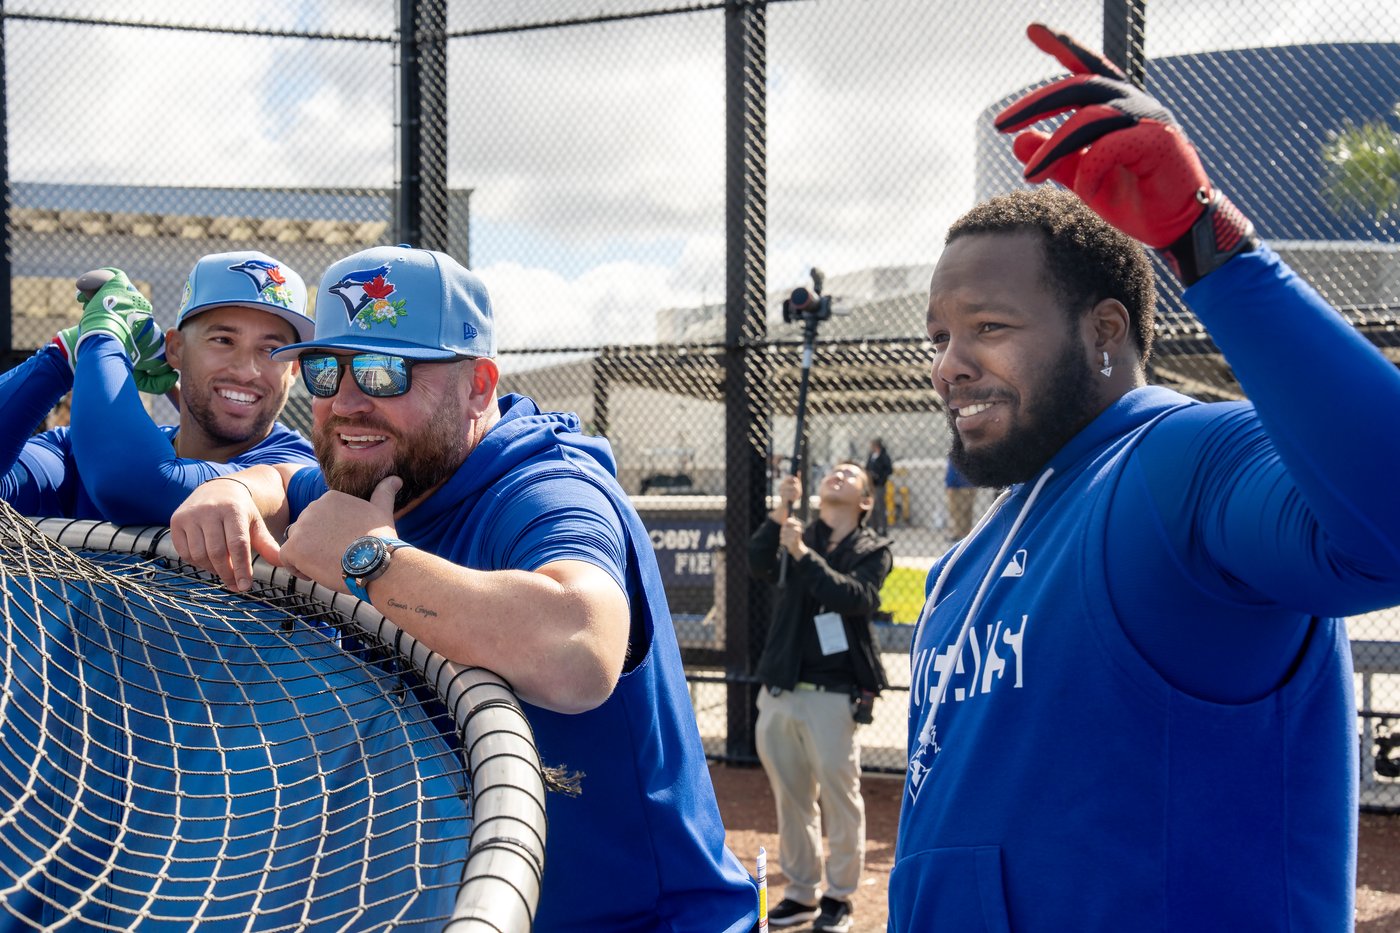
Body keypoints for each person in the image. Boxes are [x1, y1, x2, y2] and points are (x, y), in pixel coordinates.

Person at [889, 23, 1400, 932]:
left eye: (989, 327)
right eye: (939, 337)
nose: (950, 364)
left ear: (1104, 330)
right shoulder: (964, 566)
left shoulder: (1180, 461)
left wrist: (1202, 237)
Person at [167, 244, 760, 932]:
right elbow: (289, 483)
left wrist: (369, 561)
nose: (348, 402)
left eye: (388, 372)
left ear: (478, 385)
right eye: (327, 371)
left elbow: (579, 648)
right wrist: (237, 489)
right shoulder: (380, 471)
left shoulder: (543, 486)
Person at [0, 251, 317, 523]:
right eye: (223, 340)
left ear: (293, 369)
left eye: (270, 349)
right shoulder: (75, 452)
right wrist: (61, 357)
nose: (247, 371)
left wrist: (101, 341)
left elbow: (135, 484)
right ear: (176, 350)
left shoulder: (295, 469)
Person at [748, 463, 890, 933]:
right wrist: (778, 514)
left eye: (851, 475)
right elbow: (757, 562)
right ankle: (803, 893)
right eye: (833, 471)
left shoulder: (873, 550)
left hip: (833, 695)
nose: (837, 475)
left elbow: (855, 597)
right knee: (792, 800)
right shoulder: (793, 532)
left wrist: (804, 555)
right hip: (782, 688)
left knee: (840, 797)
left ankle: (839, 896)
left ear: (865, 501)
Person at [863, 438, 893, 534]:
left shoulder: (884, 456)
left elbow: (889, 470)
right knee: (872, 507)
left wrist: (879, 476)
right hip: (872, 485)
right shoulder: (871, 456)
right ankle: (874, 528)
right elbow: (867, 467)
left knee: (880, 507)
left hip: (880, 485)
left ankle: (883, 529)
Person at [942, 457, 975, 540]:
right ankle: (966, 532)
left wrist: (950, 485)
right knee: (966, 510)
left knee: (956, 510)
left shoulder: (956, 453)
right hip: (969, 484)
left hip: (957, 486)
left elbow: (952, 471)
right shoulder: (969, 448)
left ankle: (959, 533)